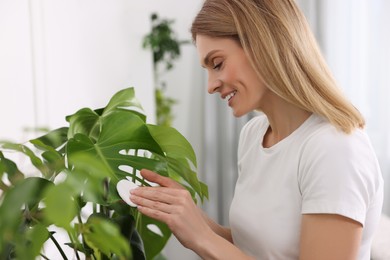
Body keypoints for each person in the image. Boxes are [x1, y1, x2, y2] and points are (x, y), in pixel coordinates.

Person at [129, 0, 384, 259]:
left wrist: (203, 238)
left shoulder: (334, 148)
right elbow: (258, 248)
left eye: (217, 64)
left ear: (263, 45)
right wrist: (191, 218)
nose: (210, 86)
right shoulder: (254, 135)